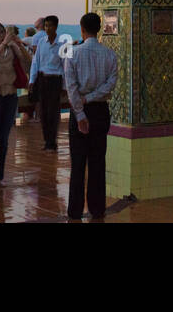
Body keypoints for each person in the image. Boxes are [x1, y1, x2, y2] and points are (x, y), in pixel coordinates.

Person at [63, 12, 117, 221]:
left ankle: (75, 210)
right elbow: (111, 83)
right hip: (100, 110)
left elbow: (71, 87)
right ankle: (97, 208)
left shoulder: (73, 53)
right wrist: (93, 97)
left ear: (82, 29)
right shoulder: (110, 55)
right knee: (97, 161)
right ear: (100, 29)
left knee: (78, 163)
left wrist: (79, 112)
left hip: (80, 111)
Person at [0, 21, 31, 187]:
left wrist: (18, 45)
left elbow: (27, 62)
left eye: (3, 32)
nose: (2, 35)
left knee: (3, 138)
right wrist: (3, 44)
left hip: (10, 96)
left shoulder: (11, 50)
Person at [29, 15, 71, 150]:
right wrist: (32, 80)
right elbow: (36, 62)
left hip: (55, 80)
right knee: (43, 111)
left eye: (50, 26)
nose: (48, 29)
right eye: (46, 26)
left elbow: (66, 66)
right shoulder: (41, 42)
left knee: (53, 111)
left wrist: (65, 85)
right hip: (42, 79)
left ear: (56, 27)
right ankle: (47, 139)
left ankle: (51, 141)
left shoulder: (62, 44)